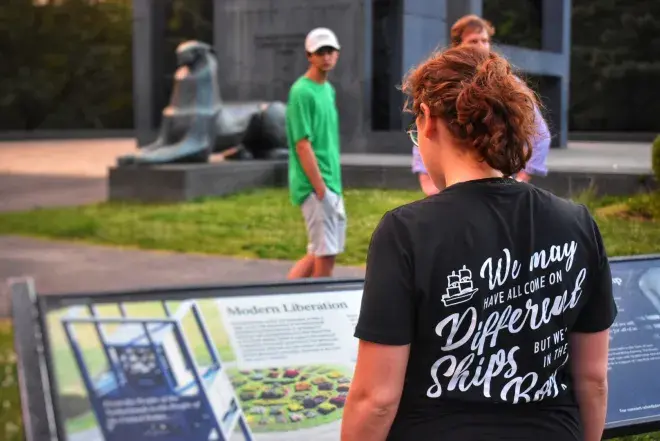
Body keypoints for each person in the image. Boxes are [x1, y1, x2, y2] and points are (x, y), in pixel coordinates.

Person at [341, 46, 617, 441]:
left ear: (427, 120)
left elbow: (376, 399)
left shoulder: (405, 232)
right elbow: (592, 379)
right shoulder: (578, 223)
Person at [412, 14, 551, 195]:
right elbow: (426, 126)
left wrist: (523, 178)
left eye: (484, 41)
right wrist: (426, 178)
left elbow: (540, 133)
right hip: (453, 187)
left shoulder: (508, 85)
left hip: (500, 184)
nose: (480, 46)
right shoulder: (442, 84)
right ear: (458, 45)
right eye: (473, 41)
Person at [285, 27, 346, 279]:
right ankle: (322, 309)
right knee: (326, 254)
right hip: (316, 185)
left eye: (330, 50)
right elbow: (302, 143)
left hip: (330, 182)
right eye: (320, 52)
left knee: (318, 251)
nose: (326, 56)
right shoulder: (302, 91)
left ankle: (284, 301)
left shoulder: (327, 90)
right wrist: (320, 188)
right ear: (309, 55)